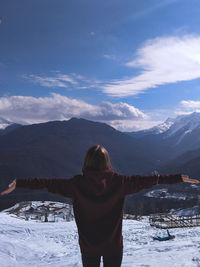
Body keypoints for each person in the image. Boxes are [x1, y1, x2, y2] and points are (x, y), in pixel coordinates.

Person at [1, 145, 199, 267]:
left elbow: (47, 183)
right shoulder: (120, 182)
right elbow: (148, 180)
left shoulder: (76, 184)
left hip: (89, 247)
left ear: (86, 162)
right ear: (107, 162)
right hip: (114, 246)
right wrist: (176, 178)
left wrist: (19, 182)